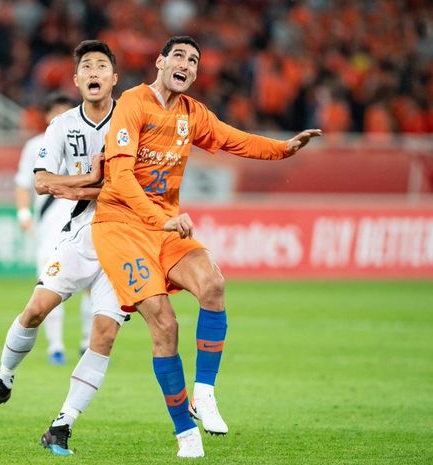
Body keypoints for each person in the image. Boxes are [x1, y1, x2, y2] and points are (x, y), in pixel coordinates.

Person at [92, 36, 322, 458]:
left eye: (193, 60)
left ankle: (204, 392)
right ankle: (185, 433)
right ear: (160, 62)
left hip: (164, 227)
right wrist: (162, 218)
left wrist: (283, 149)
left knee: (213, 285)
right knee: (165, 324)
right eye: (178, 55)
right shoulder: (132, 103)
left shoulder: (191, 113)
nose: (185, 63)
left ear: (196, 73)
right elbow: (120, 177)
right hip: (121, 227)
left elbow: (234, 138)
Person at [0, 41, 129, 456]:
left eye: (102, 65)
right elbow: (41, 182)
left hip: (127, 239)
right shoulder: (60, 128)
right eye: (86, 66)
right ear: (77, 80)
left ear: (114, 78)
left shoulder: (132, 122)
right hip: (81, 234)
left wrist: (71, 182)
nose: (94, 71)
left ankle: (61, 426)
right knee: (37, 308)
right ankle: (3, 380)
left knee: (104, 334)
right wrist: (93, 184)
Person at [14, 92, 93, 365]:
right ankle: (56, 346)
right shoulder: (35, 145)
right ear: (46, 116)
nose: (59, 116)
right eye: (54, 111)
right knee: (48, 283)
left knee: (91, 284)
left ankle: (86, 341)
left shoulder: (86, 142)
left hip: (82, 221)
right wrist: (24, 212)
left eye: (65, 110)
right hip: (48, 227)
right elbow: (24, 183)